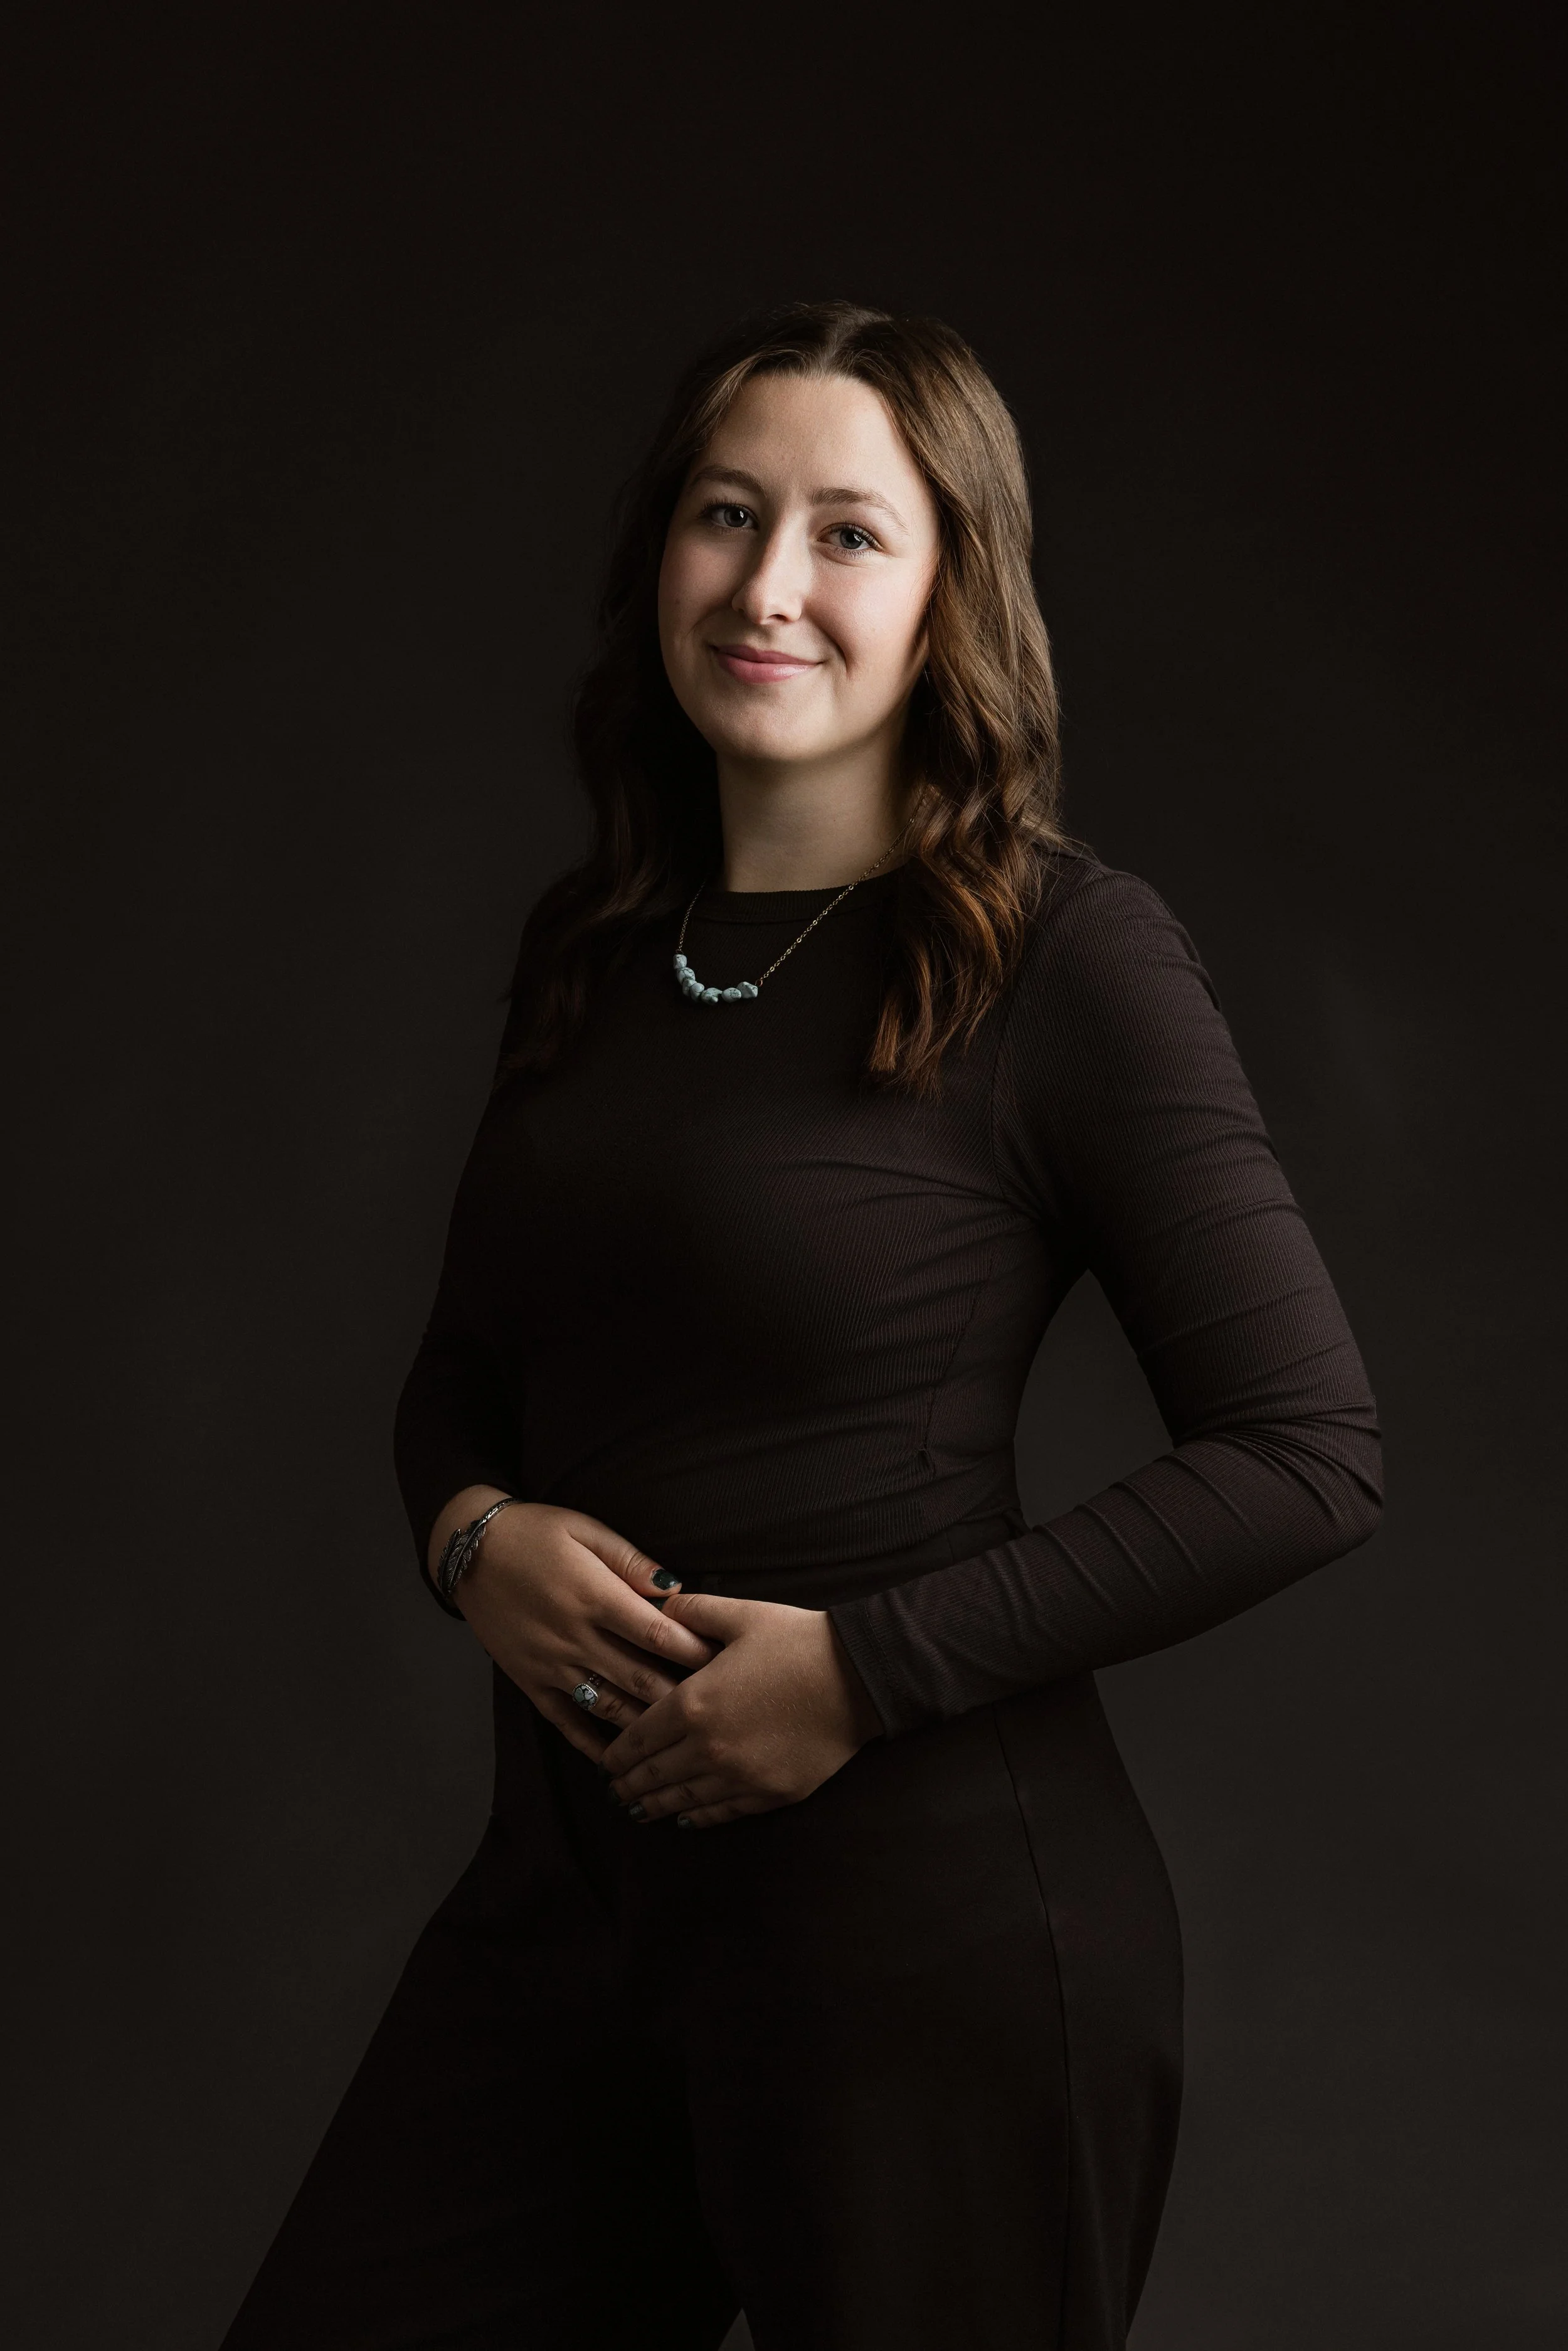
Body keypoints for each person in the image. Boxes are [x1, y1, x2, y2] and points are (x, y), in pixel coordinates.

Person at [221, 300, 1382, 2351]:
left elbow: (1305, 1453)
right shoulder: (592, 956)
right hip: (568, 1908)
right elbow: (464, 1372)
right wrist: (468, 1538)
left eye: (849, 533)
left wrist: (855, 1671)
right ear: (656, 556)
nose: (767, 585)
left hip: (917, 1936)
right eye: (724, 515)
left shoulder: (1064, 958)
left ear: (953, 596)